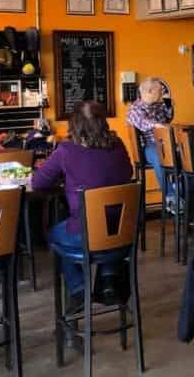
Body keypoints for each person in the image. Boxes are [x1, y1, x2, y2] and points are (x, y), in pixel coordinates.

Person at [33, 101, 133, 314]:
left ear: (75, 125)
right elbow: (127, 174)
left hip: (85, 234)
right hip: (122, 233)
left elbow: (38, 183)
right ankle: (107, 278)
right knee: (106, 229)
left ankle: (78, 288)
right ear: (103, 122)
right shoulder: (118, 145)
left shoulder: (66, 150)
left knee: (54, 234)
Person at [126, 77, 174, 202]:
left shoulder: (157, 105)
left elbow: (169, 118)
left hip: (163, 143)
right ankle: (171, 197)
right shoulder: (135, 108)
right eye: (160, 90)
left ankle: (179, 186)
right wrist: (158, 125)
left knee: (187, 153)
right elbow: (144, 123)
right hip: (148, 147)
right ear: (150, 91)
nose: (161, 92)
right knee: (159, 155)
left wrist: (168, 100)